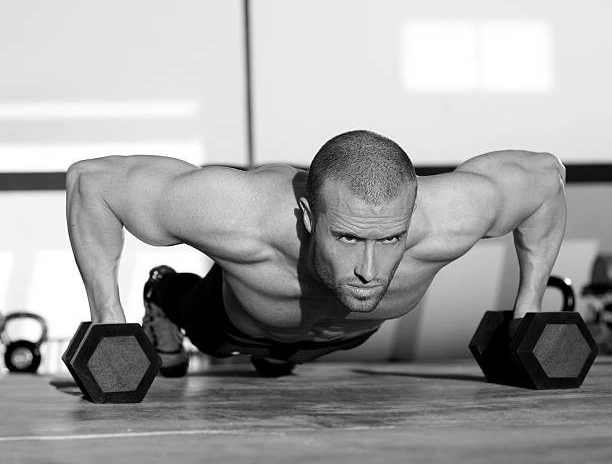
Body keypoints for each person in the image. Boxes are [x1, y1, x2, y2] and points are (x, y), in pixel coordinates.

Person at [66, 130, 566, 377]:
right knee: (214, 339)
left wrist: (529, 311)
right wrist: (108, 320)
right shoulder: (237, 213)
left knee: (282, 361)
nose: (370, 273)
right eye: (348, 238)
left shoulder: (452, 216)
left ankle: (282, 354)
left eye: (390, 239)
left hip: (341, 336)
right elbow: (94, 182)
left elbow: (544, 177)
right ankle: (164, 290)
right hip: (234, 323)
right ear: (307, 217)